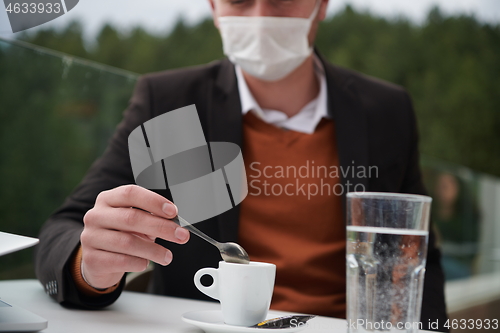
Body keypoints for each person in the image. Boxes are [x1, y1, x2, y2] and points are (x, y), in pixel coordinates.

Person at [34, 0, 448, 331]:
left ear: (322, 5)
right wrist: (90, 267)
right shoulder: (172, 103)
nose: (261, 16)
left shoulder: (386, 112)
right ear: (215, 8)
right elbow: (66, 228)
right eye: (239, 1)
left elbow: (419, 257)